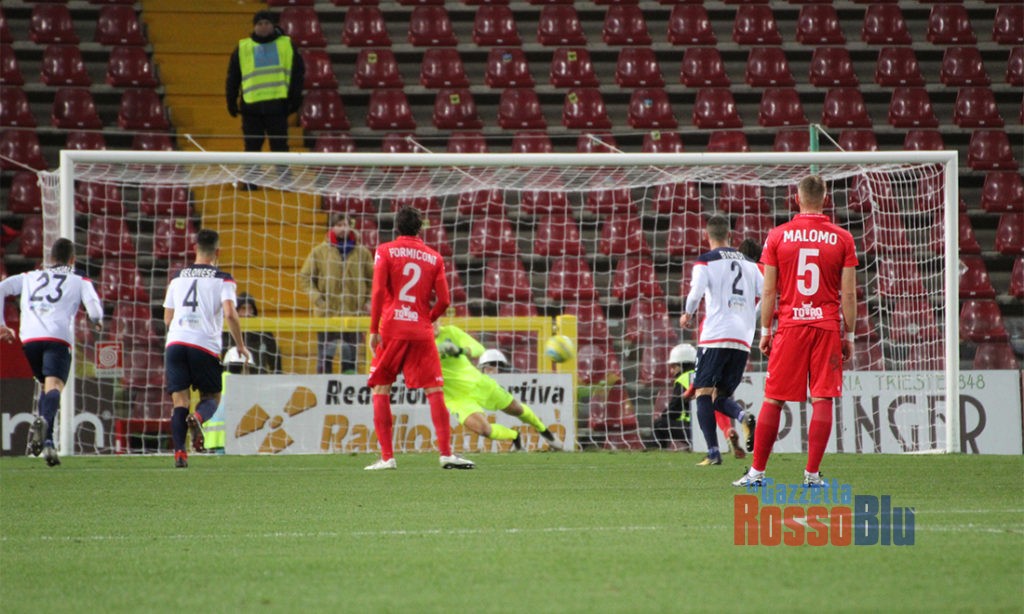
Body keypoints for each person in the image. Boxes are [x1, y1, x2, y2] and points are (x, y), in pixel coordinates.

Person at [733, 175, 858, 488]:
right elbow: (849, 294)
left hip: (790, 326)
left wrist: (765, 330)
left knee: (774, 399)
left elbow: (769, 290)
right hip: (826, 326)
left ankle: (757, 473)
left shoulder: (778, 236)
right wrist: (849, 335)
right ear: (825, 199)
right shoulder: (843, 238)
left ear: (797, 199)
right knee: (823, 398)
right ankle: (812, 476)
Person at [364, 206, 474, 471]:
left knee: (381, 388)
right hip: (420, 331)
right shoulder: (434, 257)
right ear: (420, 228)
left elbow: (377, 292)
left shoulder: (385, 251)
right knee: (434, 390)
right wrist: (427, 318)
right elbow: (445, 300)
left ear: (397, 227)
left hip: (392, 329)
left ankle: (388, 458)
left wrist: (373, 329)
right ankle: (446, 454)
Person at [0, 238, 103, 467]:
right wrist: (97, 320)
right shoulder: (80, 279)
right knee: (54, 386)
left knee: (47, 388)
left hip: (30, 340)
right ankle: (45, 425)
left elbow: (2, 288)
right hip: (57, 337)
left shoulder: (30, 276)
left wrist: (1, 323)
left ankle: (48, 443)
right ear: (72, 259)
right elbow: (95, 309)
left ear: (51, 258)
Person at [680, 214, 762, 467]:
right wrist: (751, 317)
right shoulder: (750, 264)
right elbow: (766, 293)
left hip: (715, 335)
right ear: (730, 236)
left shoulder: (705, 261)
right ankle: (742, 416)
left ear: (707, 236)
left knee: (703, 393)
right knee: (720, 396)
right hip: (742, 339)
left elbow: (696, 292)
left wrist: (687, 313)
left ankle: (713, 452)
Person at [163, 229, 249, 468]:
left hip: (175, 343)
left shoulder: (177, 278)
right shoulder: (223, 279)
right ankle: (198, 418)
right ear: (217, 252)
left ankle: (180, 453)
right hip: (204, 345)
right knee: (211, 397)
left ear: (195, 249)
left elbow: (167, 318)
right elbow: (230, 313)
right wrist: (240, 345)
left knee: (180, 401)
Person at [436, 326, 564, 451]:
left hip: (478, 383)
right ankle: (515, 436)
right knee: (484, 430)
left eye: (435, 320)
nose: (434, 324)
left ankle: (545, 432)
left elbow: (479, 349)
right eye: (430, 322)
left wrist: (460, 350)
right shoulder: (423, 348)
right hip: (456, 399)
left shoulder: (450, 332)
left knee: (516, 409)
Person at [225, 9, 305, 186]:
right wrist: (231, 100)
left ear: (273, 25)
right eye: (259, 24)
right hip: (251, 107)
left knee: (280, 146)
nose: (263, 27)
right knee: (252, 146)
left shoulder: (286, 45)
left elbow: (298, 74)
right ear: (254, 27)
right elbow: (233, 77)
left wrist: (295, 99)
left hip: (277, 106)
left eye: (267, 23)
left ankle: (285, 181)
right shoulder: (243, 47)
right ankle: (251, 181)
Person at [299, 213, 375, 374]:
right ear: (332, 227)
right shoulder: (319, 252)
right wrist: (318, 300)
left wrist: (367, 301)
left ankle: (348, 390)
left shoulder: (362, 252)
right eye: (339, 225)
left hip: (353, 315)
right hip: (327, 316)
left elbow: (373, 279)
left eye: (345, 225)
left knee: (350, 360)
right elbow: (305, 277)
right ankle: (322, 389)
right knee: (325, 359)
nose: (343, 228)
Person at [222, 292, 281, 374]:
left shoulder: (263, 332)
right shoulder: (227, 332)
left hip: (258, 377)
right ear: (236, 310)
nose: (247, 313)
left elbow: (275, 361)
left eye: (250, 308)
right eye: (243, 308)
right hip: (231, 377)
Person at [652, 343, 695, 451]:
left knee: (660, 423)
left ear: (682, 365)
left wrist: (664, 415)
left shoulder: (683, 379)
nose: (671, 371)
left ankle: (663, 450)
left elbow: (675, 407)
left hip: (691, 428)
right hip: (708, 426)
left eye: (674, 367)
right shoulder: (701, 375)